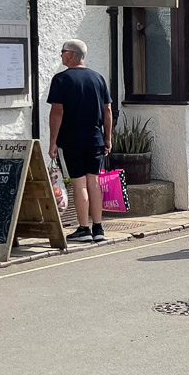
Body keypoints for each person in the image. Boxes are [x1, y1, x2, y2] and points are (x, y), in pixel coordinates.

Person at [46, 39, 112, 243]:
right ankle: (98, 228)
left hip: (72, 139)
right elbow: (107, 110)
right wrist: (108, 138)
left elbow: (57, 111)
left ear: (70, 55)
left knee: (79, 182)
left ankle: (83, 229)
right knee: (94, 181)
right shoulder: (98, 78)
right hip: (95, 139)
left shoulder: (61, 79)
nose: (61, 55)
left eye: (62, 51)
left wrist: (53, 141)